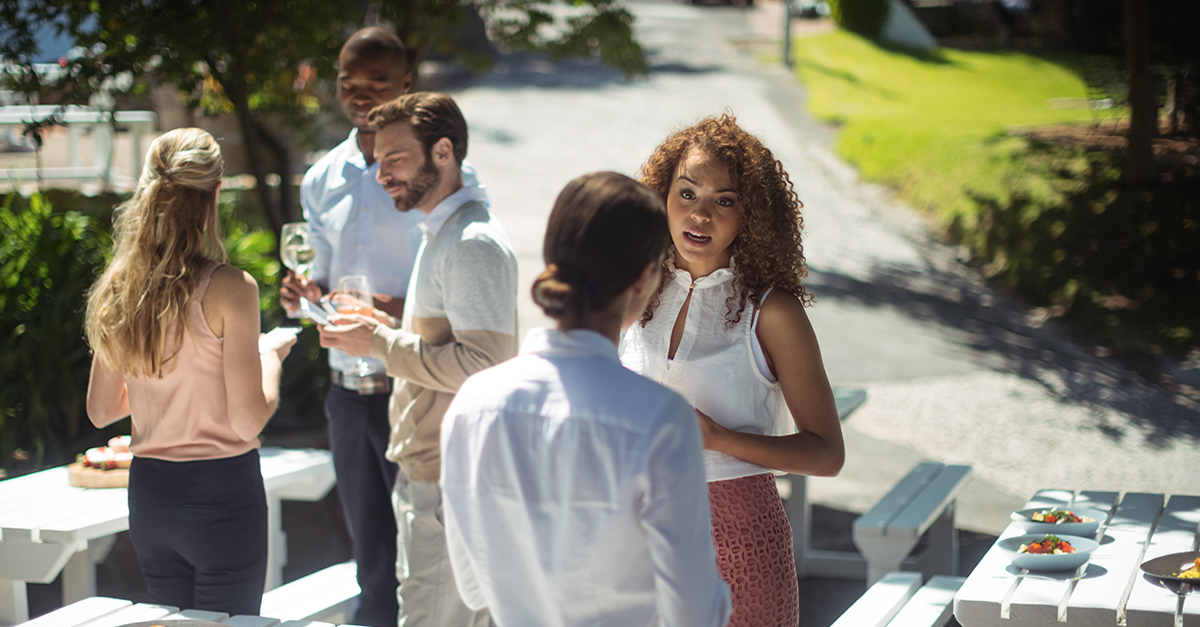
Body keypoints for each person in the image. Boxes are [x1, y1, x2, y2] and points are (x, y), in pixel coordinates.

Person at [439, 172, 733, 627]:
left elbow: (473, 587)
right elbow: (694, 613)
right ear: (644, 278)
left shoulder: (473, 403)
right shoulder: (658, 417)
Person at [280, 28, 486, 627]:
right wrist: (301, 295)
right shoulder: (322, 178)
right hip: (346, 393)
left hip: (416, 391)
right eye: (350, 84)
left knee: (423, 558)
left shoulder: (437, 178)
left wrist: (395, 310)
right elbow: (316, 279)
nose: (361, 95)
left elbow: (459, 277)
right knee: (367, 557)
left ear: (404, 85)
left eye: (377, 84)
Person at [621, 114, 846, 627]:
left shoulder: (772, 311)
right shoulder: (636, 289)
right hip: (635, 532)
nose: (700, 215)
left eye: (724, 201)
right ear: (662, 197)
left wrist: (718, 438)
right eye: (687, 193)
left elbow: (827, 453)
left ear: (752, 217)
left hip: (738, 535)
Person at [319, 91, 517, 627]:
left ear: (444, 152)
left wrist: (380, 346)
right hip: (435, 477)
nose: (382, 175)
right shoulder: (443, 232)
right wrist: (381, 327)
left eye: (395, 159)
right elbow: (446, 346)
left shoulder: (471, 243)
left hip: (447, 483)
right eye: (379, 161)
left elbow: (486, 367)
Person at [84, 127, 295, 615]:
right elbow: (247, 420)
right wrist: (270, 359)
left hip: (151, 497)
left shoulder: (118, 286)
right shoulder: (230, 287)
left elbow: (101, 410)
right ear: (216, 192)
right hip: (222, 494)